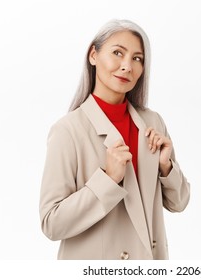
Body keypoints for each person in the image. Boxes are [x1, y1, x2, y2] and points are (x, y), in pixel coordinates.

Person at [39, 19, 190, 260]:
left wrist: (166, 166)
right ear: (93, 55)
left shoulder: (153, 123)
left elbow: (179, 203)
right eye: (117, 53)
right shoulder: (67, 130)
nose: (127, 66)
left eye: (137, 58)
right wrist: (108, 179)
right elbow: (51, 223)